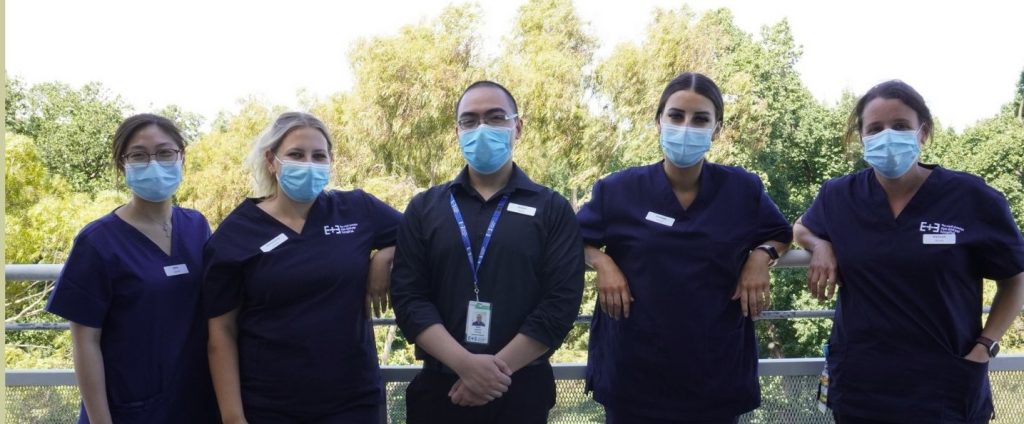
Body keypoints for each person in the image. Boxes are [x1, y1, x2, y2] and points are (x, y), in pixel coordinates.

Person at [793, 80, 1024, 424]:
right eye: (875, 128)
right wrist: (819, 245)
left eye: (900, 126)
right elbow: (800, 228)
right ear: (862, 137)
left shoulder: (971, 197)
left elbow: (1015, 278)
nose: (887, 136)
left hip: (946, 384)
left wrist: (985, 346)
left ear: (923, 132)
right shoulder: (839, 196)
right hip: (861, 387)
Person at [578, 72, 792, 424]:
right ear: (659, 121)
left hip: (714, 374)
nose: (686, 126)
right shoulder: (617, 190)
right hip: (635, 371)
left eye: (701, 119)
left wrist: (761, 255)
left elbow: (781, 233)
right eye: (676, 115)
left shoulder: (742, 189)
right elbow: (572, 238)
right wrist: (602, 261)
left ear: (717, 129)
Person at [391, 80, 585, 424]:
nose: (482, 128)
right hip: (441, 388)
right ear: (457, 131)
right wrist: (466, 366)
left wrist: (492, 374)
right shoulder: (424, 208)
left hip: (521, 388)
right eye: (470, 120)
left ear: (518, 126)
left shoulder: (551, 208)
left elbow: (560, 302)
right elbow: (409, 299)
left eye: (496, 117)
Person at [203, 112, 401, 423]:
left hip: (353, 402)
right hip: (269, 406)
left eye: (318, 155)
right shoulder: (236, 234)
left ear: (330, 161)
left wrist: (386, 255)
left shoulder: (357, 209)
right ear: (271, 160)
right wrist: (232, 417)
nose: (308, 163)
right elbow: (221, 333)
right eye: (296, 154)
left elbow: (422, 235)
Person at [46, 114, 219, 423]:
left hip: (194, 402)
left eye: (165, 152)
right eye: (139, 155)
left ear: (181, 157)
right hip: (129, 408)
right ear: (122, 164)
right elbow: (86, 342)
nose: (154, 164)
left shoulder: (196, 226)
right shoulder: (97, 242)